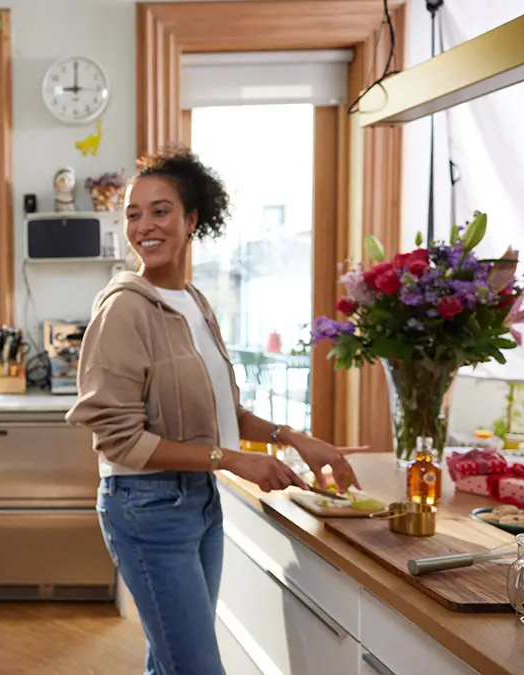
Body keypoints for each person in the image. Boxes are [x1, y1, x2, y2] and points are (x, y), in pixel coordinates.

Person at [64, 147, 366, 675]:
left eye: (160, 211)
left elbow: (223, 410)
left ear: (192, 220)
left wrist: (293, 436)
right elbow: (118, 439)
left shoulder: (196, 304)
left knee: (172, 661)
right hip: (146, 509)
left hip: (198, 504)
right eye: (134, 214)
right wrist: (229, 459)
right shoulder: (124, 307)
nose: (144, 225)